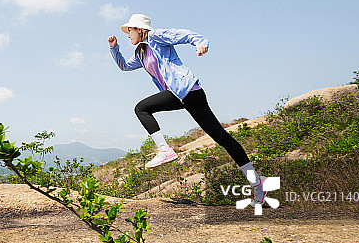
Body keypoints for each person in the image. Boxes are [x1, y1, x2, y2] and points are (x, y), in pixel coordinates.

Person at [108, 13, 265, 205]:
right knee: (222, 137)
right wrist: (114, 48)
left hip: (185, 89)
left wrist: (200, 42)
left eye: (130, 30)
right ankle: (257, 184)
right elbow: (124, 66)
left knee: (141, 108)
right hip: (184, 96)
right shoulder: (140, 53)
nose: (128, 34)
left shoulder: (155, 36)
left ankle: (165, 150)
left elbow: (183, 34)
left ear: (140, 29)